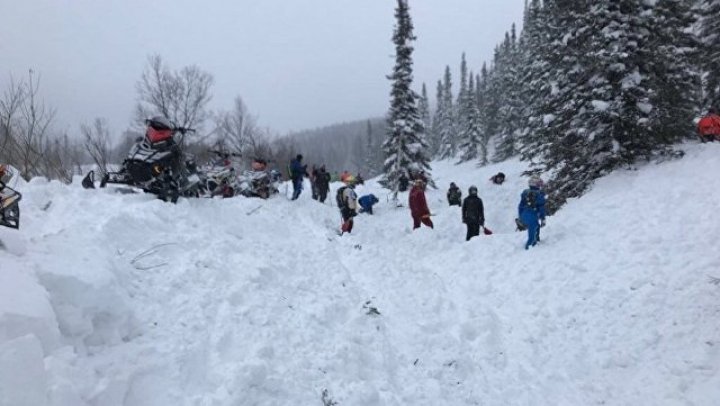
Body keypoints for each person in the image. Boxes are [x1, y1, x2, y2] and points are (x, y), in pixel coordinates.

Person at [517, 175, 546, 250]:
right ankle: (530, 247)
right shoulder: (539, 194)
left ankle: (537, 241)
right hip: (532, 215)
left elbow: (520, 206)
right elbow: (541, 207)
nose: (540, 185)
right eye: (539, 183)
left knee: (536, 226)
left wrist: (520, 216)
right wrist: (543, 218)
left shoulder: (525, 192)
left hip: (524, 214)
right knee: (532, 231)